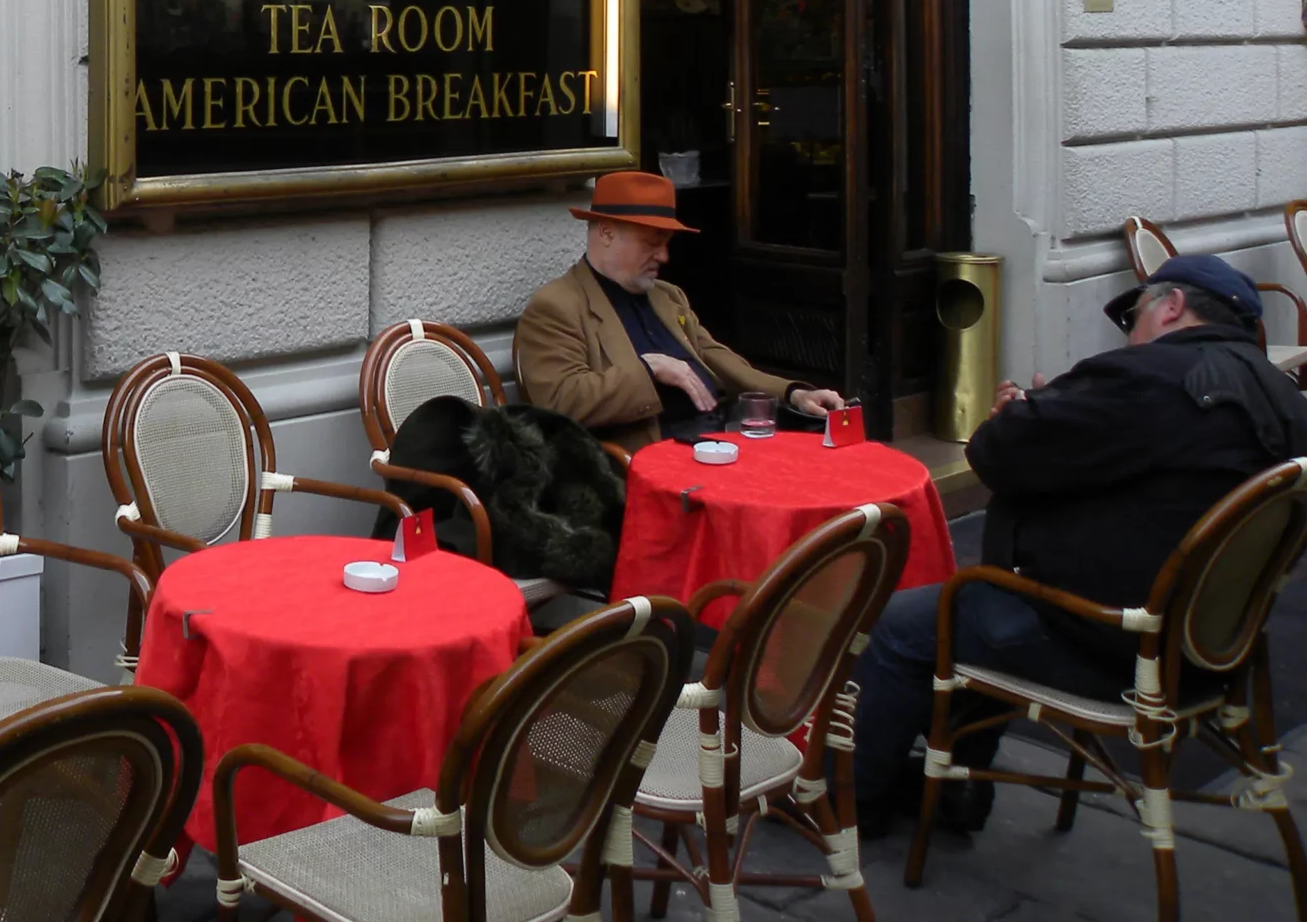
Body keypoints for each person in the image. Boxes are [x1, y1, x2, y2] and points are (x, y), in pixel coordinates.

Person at [850, 253, 1307, 831]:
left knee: (904, 624)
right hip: (1210, 651)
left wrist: (1020, 417)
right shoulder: (1286, 398)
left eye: (1134, 316)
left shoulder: (1143, 379)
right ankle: (952, 789)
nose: (1131, 334)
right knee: (978, 608)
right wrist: (1056, 414)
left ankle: (855, 801)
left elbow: (995, 455)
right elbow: (1159, 480)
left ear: (1171, 307)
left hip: (1107, 642)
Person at [514, 170, 846, 449]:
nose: (664, 257)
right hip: (650, 457)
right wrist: (649, 368)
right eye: (651, 243)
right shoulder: (556, 306)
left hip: (721, 438)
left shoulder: (667, 296)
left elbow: (715, 357)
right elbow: (559, 402)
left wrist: (794, 393)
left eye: (666, 244)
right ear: (606, 232)